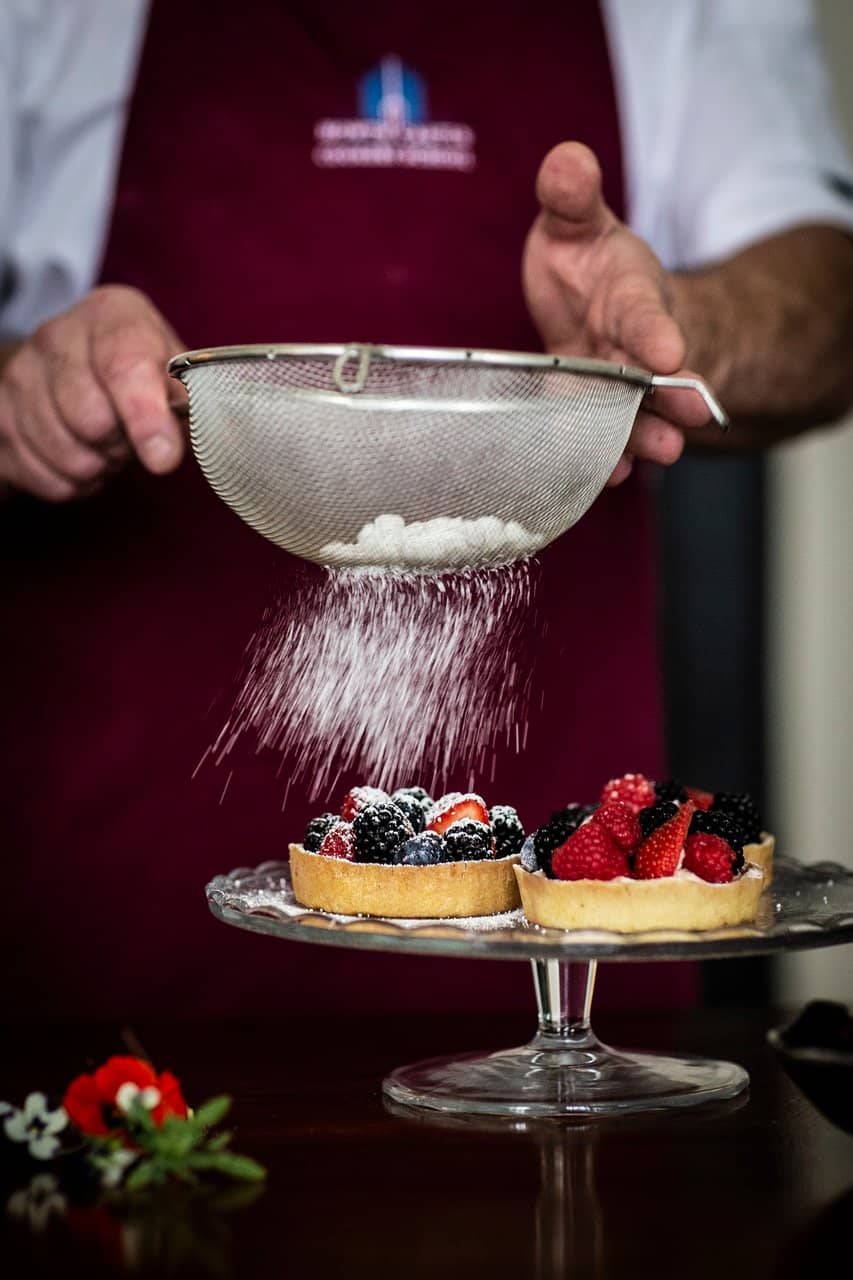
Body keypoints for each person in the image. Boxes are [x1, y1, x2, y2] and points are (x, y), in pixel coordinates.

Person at [2, 0, 852, 1021]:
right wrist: (23, 386)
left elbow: (827, 309)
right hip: (116, 925)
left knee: (581, 1170)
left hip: (564, 948)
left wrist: (675, 325)